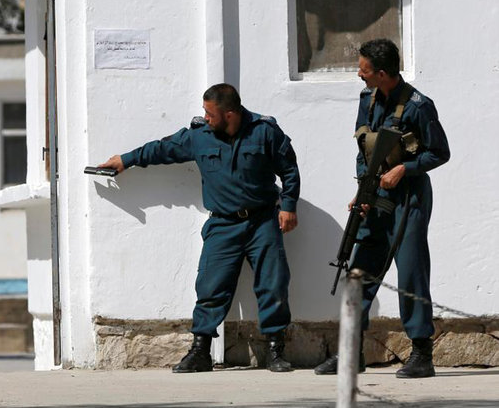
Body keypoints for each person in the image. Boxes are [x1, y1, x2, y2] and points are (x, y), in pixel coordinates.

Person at [99, 83, 301, 373]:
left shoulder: (265, 132)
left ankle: (275, 351)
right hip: (223, 224)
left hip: (262, 222)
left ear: (230, 114)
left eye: (210, 113)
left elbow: (290, 170)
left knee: (273, 285)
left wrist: (289, 206)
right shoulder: (200, 136)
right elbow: (162, 149)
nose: (205, 117)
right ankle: (200, 351)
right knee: (210, 287)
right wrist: (125, 160)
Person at [314, 39, 450, 378]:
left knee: (411, 271)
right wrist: (363, 189)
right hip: (375, 196)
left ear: (383, 73)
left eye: (364, 70)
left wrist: (405, 168)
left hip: (409, 198)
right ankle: (352, 352)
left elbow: (440, 152)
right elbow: (365, 150)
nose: (359, 75)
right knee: (359, 270)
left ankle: (422, 353)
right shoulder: (367, 99)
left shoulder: (419, 106)